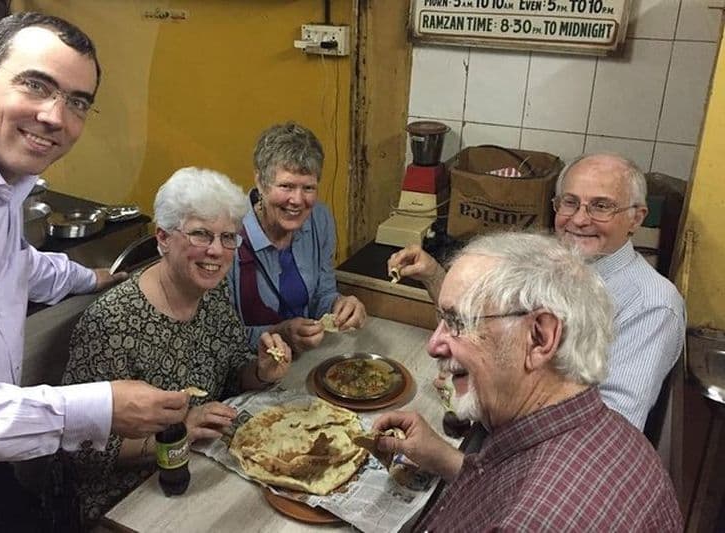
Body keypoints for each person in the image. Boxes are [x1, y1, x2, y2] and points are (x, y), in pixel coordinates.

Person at [0, 13, 188, 532]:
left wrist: (92, 278)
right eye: (36, 85)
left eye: (77, 102)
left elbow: (14, 262)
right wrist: (97, 408)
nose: (55, 116)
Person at [375, 232, 682, 531]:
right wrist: (440, 456)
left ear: (540, 337)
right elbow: (499, 486)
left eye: (459, 322)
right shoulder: (610, 432)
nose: (433, 344)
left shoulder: (530, 522)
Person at [389, 153, 685, 431]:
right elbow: (480, 319)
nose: (580, 219)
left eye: (601, 206)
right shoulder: (549, 264)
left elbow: (612, 428)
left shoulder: (654, 304)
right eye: (570, 203)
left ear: (636, 217)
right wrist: (433, 274)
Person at [61, 167, 291, 524]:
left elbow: (231, 374)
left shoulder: (212, 295)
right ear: (163, 238)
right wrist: (180, 431)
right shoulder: (111, 323)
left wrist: (259, 371)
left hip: (204, 461)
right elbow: (80, 448)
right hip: (128, 498)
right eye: (200, 234)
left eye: (228, 237)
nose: (216, 250)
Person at [228, 122, 366, 353]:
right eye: (286, 186)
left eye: (309, 188)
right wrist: (279, 333)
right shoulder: (226, 235)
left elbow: (322, 294)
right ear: (261, 182)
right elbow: (219, 338)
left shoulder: (319, 220)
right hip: (248, 370)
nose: (297, 200)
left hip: (302, 358)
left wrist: (339, 305)